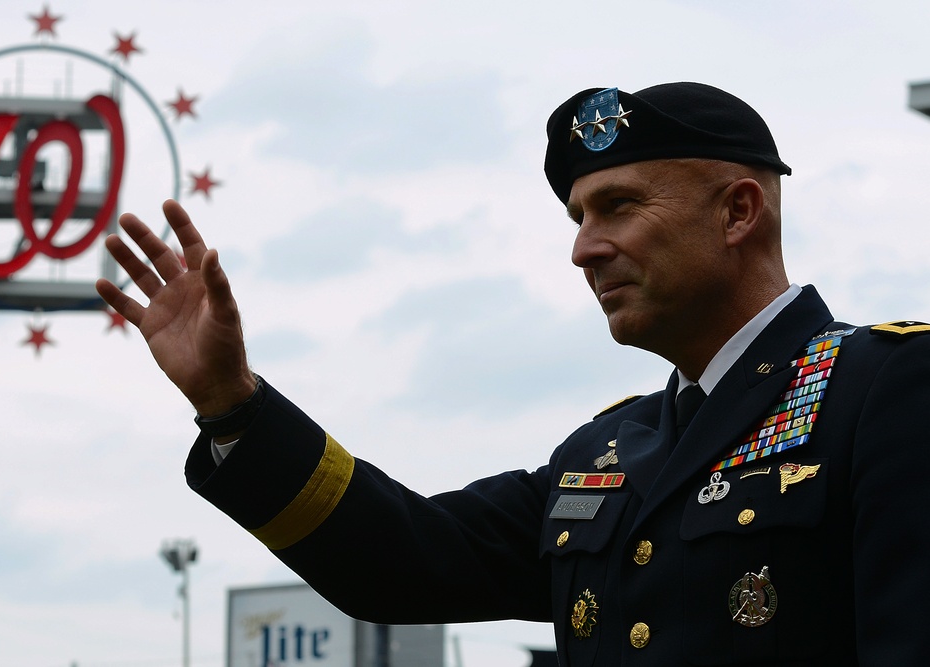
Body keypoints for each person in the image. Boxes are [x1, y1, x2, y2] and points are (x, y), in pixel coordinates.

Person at [96, 82, 930, 666]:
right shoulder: (606, 449)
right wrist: (233, 406)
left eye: (619, 206)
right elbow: (403, 560)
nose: (582, 248)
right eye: (577, 216)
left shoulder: (886, 386)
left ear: (737, 211)